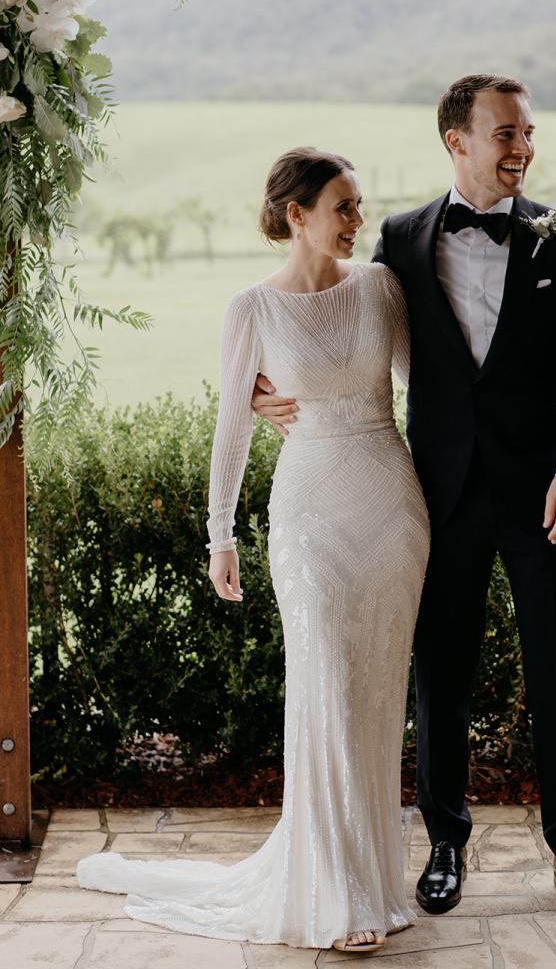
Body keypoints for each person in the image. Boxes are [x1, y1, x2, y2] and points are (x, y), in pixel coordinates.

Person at [253, 74, 556, 925]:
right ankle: (446, 843)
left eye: (528, 132)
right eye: (505, 133)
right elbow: (337, 317)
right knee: (439, 675)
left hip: (542, 495)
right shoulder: (403, 238)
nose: (522, 147)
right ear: (457, 140)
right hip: (435, 496)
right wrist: (273, 386)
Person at [75, 147, 430, 954]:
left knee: (375, 695)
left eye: (358, 203)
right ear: (295, 215)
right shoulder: (252, 309)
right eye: (342, 206)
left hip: (391, 506)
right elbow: (232, 427)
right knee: (324, 687)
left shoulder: (380, 287)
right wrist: (220, 532)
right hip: (308, 515)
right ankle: (334, 894)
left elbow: (425, 385)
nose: (356, 219)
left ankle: (371, 878)